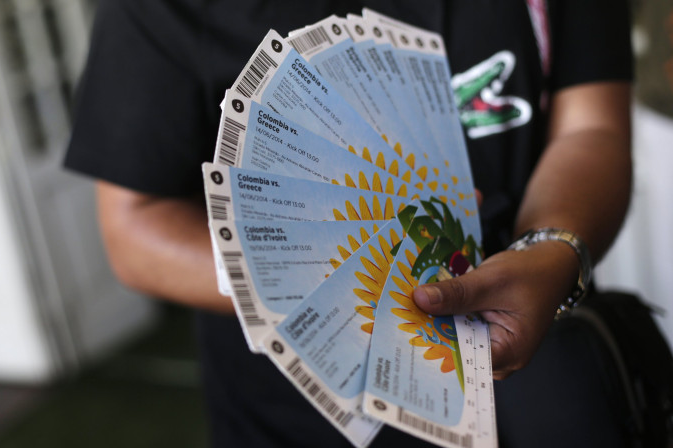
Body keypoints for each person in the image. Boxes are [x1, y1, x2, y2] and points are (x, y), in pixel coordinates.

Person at [64, 0, 633, 446]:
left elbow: (592, 129)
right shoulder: (160, 10)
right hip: (297, 417)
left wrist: (551, 251)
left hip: (541, 386)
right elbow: (136, 230)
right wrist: (347, 294)